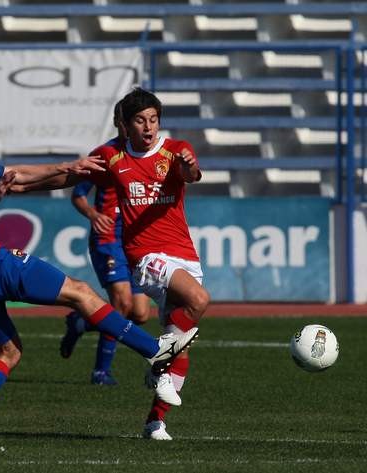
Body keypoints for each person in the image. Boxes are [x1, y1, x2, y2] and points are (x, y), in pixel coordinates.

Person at [0, 98, 199, 440]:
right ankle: (155, 352)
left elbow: (18, 178)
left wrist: (67, 168)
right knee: (81, 292)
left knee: (9, 351)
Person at [93, 88, 210, 440]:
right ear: (126, 125)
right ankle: (159, 355)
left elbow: (191, 172)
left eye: (153, 120)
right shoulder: (111, 155)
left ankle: (155, 422)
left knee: (181, 346)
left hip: (184, 254)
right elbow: (73, 177)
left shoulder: (175, 150)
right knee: (199, 300)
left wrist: (189, 167)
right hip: (145, 256)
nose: (148, 127)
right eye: (140, 120)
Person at [59, 102, 151, 386]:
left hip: (136, 240)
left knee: (140, 313)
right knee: (121, 303)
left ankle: (81, 322)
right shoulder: (104, 154)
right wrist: (93, 214)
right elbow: (78, 194)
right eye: (128, 121)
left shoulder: (149, 153)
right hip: (108, 238)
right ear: (120, 123)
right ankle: (101, 372)